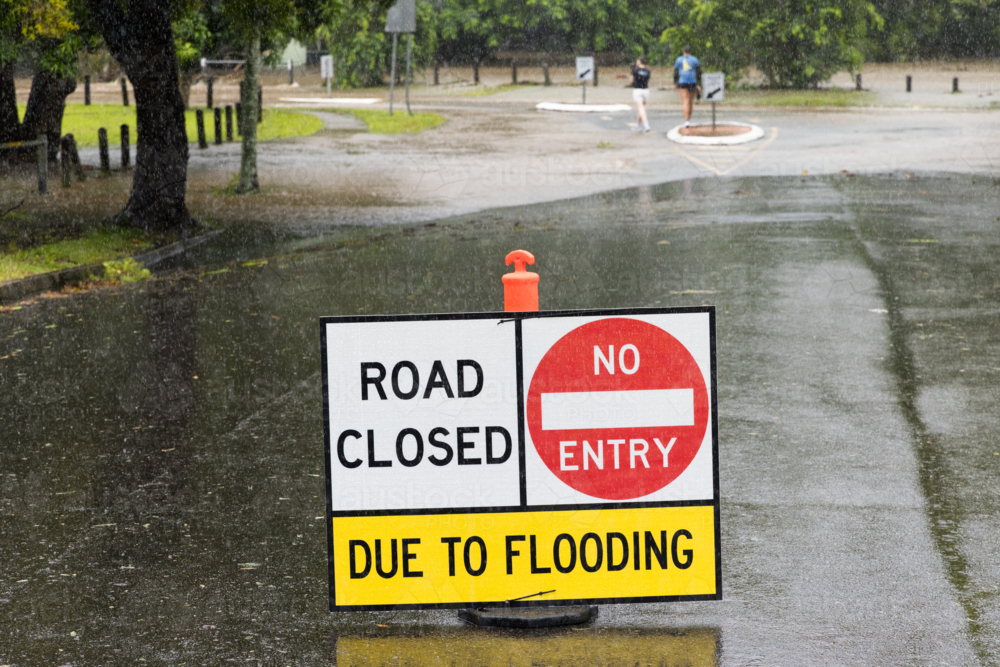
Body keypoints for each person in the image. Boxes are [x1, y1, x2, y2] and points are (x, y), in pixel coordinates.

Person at [673, 46, 701, 128]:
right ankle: (689, 119)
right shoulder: (695, 60)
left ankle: (686, 120)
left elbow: (676, 72)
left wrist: (675, 83)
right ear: (690, 51)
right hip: (692, 82)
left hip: (682, 82)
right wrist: (698, 84)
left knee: (685, 101)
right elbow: (698, 72)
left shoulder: (679, 60)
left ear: (683, 51)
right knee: (690, 101)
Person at [630, 57, 651, 133]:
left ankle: (646, 125)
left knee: (641, 108)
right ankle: (637, 125)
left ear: (639, 62)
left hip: (637, 90)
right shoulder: (647, 71)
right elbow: (648, 80)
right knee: (641, 109)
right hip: (646, 90)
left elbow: (631, 80)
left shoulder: (635, 70)